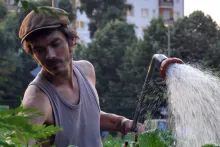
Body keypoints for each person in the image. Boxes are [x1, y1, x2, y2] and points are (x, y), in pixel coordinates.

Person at [19, 6, 144, 147]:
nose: (50, 55)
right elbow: (16, 142)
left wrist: (121, 123)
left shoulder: (86, 70)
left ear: (71, 40)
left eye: (55, 44)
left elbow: (86, 117)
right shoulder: (37, 99)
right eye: (39, 50)